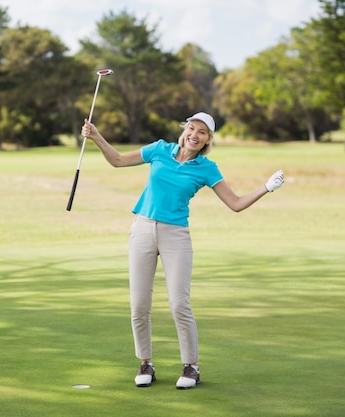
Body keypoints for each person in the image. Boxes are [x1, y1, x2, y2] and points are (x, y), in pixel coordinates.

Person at [81, 112, 284, 389]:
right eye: (191, 128)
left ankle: (191, 367)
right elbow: (117, 160)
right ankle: (146, 363)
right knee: (139, 304)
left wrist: (265, 188)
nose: (194, 135)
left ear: (208, 140)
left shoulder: (207, 168)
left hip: (175, 234)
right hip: (142, 228)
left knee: (179, 303)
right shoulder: (160, 149)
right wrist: (95, 136)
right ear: (184, 129)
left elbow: (235, 203)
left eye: (202, 132)